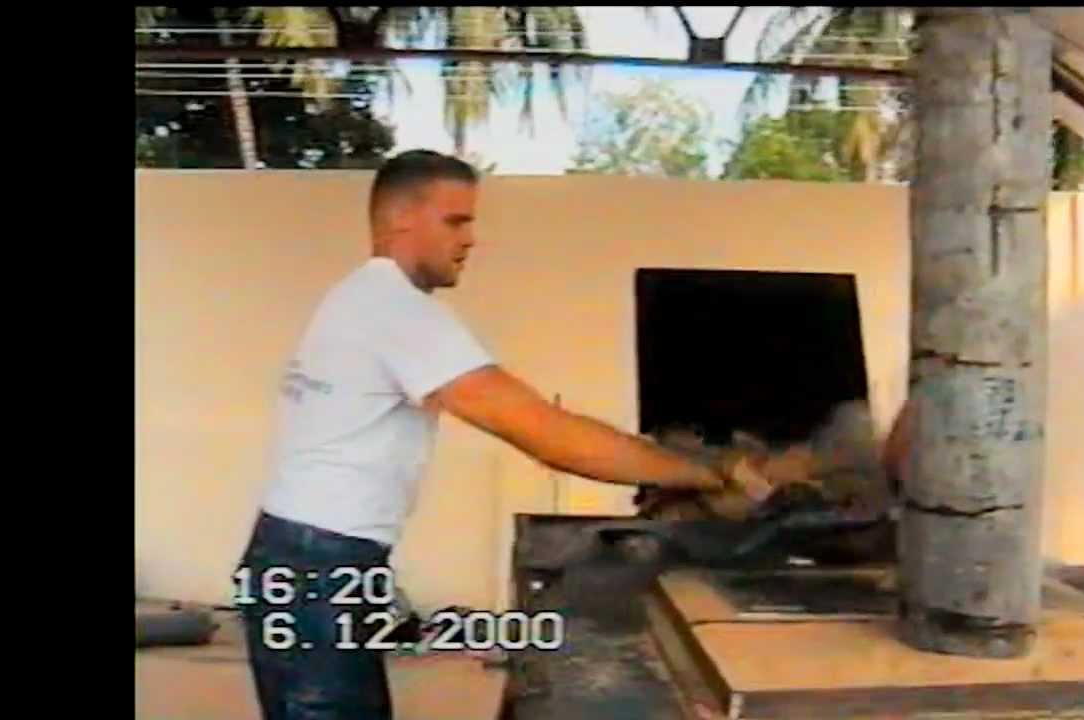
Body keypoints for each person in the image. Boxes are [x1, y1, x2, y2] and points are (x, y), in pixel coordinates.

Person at [234, 149, 762, 719]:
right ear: (400, 220)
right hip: (320, 569)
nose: (471, 239)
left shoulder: (359, 299)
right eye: (455, 221)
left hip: (304, 557)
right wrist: (710, 472)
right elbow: (545, 433)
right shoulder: (395, 311)